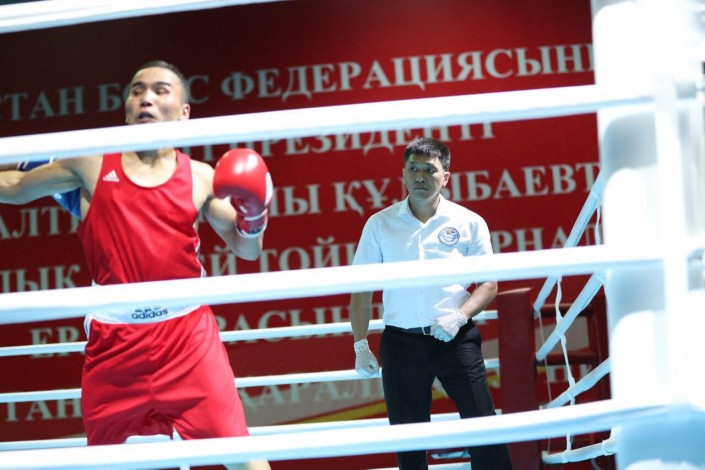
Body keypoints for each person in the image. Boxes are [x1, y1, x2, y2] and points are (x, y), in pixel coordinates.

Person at [0, 60, 271, 470]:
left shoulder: (201, 177)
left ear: (184, 112)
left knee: (241, 457)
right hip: (115, 344)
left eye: (161, 90)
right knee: (107, 465)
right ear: (126, 110)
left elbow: (246, 249)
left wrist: (255, 216)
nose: (146, 98)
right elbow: (19, 186)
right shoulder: (90, 165)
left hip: (187, 340)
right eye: (137, 90)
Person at [349, 138, 513, 470]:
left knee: (483, 428)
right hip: (401, 344)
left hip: (457, 338)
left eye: (429, 170)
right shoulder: (380, 224)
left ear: (445, 177)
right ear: (403, 174)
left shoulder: (469, 222)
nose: (420, 177)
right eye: (413, 169)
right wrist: (360, 345)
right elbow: (360, 290)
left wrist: (460, 315)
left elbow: (488, 284)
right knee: (409, 442)